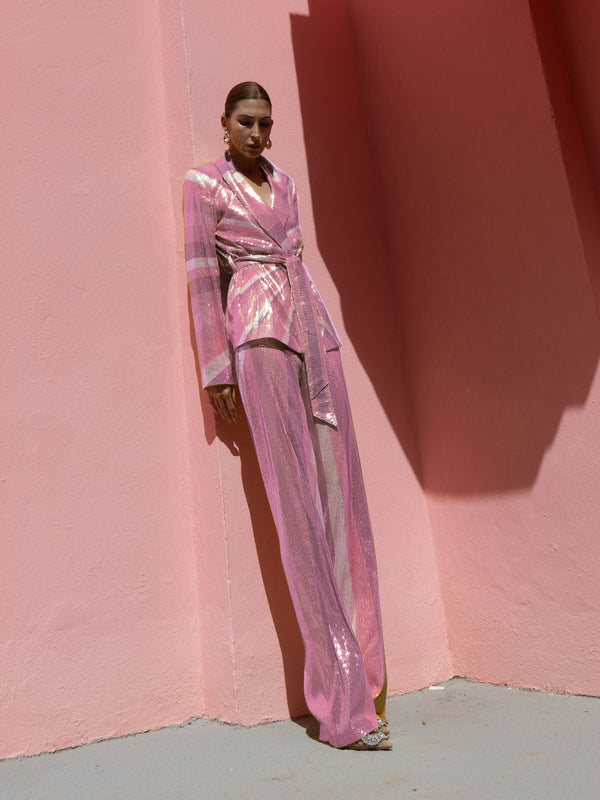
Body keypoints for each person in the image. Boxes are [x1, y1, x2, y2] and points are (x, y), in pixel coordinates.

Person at [183, 81, 390, 750]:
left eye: (266, 123)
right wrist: (216, 367)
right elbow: (201, 277)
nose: (257, 133)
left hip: (314, 330)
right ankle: (340, 707)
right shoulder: (203, 184)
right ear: (224, 123)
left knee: (342, 497)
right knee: (295, 509)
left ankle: (368, 684)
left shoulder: (287, 184)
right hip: (258, 335)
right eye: (246, 121)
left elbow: (296, 256)